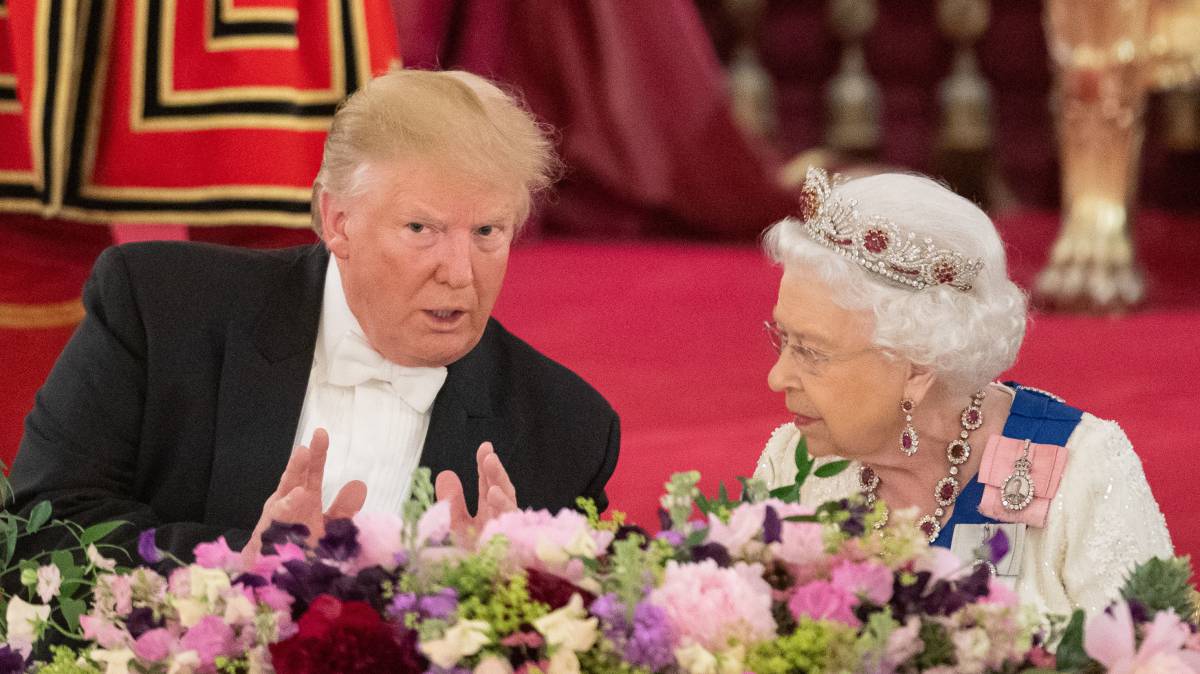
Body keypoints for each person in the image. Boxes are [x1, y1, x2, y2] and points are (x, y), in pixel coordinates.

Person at [8, 69, 620, 563]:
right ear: (337, 221)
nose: (460, 272)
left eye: (488, 231)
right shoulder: (161, 311)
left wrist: (507, 590)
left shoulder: (565, 429)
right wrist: (232, 565)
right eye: (421, 228)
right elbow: (44, 525)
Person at [753, 168, 1173, 615]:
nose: (777, 378)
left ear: (917, 365)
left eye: (812, 352)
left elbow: (1157, 655)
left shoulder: (1082, 470)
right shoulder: (793, 465)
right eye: (783, 339)